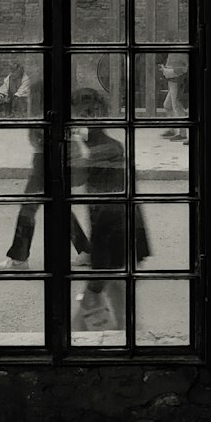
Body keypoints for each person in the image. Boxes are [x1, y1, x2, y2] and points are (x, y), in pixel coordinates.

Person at [70, 85, 151, 332]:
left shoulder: (105, 148)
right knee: (117, 287)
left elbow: (76, 179)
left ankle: (77, 338)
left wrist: (77, 147)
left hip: (113, 225)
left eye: (82, 116)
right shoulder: (108, 144)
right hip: (116, 223)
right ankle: (126, 330)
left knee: (100, 288)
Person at [0, 76, 91, 272]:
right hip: (63, 158)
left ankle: (19, 257)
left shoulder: (41, 114)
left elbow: (38, 141)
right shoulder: (60, 109)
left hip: (44, 160)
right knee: (60, 205)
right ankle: (86, 250)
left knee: (28, 208)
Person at [159, 49, 188, 142]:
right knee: (168, 106)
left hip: (177, 82)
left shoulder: (182, 52)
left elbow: (184, 68)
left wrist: (170, 71)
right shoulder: (173, 50)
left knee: (177, 106)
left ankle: (182, 134)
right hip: (172, 81)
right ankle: (172, 129)